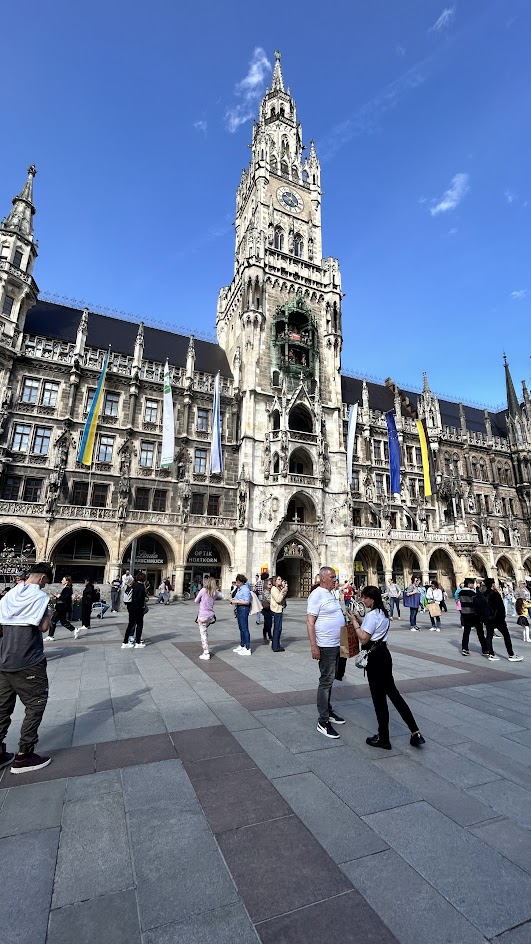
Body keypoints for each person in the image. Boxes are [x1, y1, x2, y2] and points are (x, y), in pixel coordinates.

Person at [350, 585, 425, 750]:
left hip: (375, 659)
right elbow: (375, 629)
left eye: (365, 598)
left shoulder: (371, 615)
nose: (363, 600)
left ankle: (384, 738)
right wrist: (361, 621)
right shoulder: (383, 614)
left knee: (379, 699)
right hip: (384, 654)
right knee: (395, 695)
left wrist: (355, 623)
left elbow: (364, 638)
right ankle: (415, 731)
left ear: (372, 599)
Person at [0, 561, 54, 773]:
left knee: (2, 707)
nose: (45, 586)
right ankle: (24, 755)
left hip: (4, 660)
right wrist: (48, 615)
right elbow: (42, 627)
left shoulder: (10, 596)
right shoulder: (40, 597)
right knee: (35, 704)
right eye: (46, 582)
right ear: (42, 578)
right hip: (28, 661)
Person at [306, 565, 347, 739]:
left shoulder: (330, 594)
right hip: (326, 645)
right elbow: (309, 622)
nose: (335, 580)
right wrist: (314, 645)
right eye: (332, 577)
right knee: (326, 681)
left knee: (331, 679)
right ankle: (323, 721)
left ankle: (328, 711)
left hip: (338, 644)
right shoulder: (316, 595)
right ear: (323, 578)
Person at [479, 578, 523, 662]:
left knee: (489, 636)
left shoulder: (483, 595)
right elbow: (501, 608)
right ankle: (511, 654)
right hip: (498, 619)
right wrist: (502, 617)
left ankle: (491, 654)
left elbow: (481, 608)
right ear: (492, 584)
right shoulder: (495, 594)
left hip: (488, 619)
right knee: (506, 635)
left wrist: (484, 619)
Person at [459, 578, 488, 657]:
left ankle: (465, 648)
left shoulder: (460, 592)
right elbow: (476, 603)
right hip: (473, 614)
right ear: (469, 584)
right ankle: (485, 649)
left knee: (466, 632)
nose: (473, 585)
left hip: (465, 613)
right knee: (480, 632)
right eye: (472, 584)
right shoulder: (471, 593)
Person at [195, 577, 222, 659]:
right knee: (204, 631)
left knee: (203, 634)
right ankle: (206, 645)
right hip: (210, 616)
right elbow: (221, 597)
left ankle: (206, 653)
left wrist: (201, 601)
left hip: (203, 615)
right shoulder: (215, 592)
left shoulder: (203, 590)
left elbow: (196, 600)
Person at [44, 576, 75, 640]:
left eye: (63, 580)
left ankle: (50, 636)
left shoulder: (66, 589)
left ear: (67, 581)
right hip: (62, 607)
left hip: (61, 608)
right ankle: (74, 630)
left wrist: (58, 596)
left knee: (53, 620)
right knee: (63, 621)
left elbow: (65, 599)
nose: (61, 581)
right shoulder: (67, 588)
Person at [122, 572, 147, 649]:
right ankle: (138, 642)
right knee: (139, 624)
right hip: (138, 608)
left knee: (130, 624)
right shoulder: (141, 587)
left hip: (131, 607)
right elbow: (140, 599)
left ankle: (125, 642)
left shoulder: (133, 585)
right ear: (143, 579)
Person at [232, 574, 252, 655]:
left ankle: (248, 647)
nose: (237, 584)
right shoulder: (240, 589)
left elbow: (247, 601)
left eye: (238, 582)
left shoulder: (245, 589)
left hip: (244, 609)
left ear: (241, 582)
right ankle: (242, 645)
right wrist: (234, 600)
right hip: (239, 608)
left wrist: (236, 601)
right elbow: (239, 598)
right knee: (241, 627)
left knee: (244, 628)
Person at [270, 576, 288, 651]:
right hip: (276, 610)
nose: (280, 580)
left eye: (281, 579)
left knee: (278, 629)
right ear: (275, 581)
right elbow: (278, 599)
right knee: (277, 629)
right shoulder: (274, 589)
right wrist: (282, 591)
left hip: (279, 610)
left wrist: (285, 589)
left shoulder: (278, 588)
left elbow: (283, 597)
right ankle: (275, 647)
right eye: (279, 579)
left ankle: (276, 644)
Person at [262, 579, 273, 644]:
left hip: (270, 609)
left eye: (271, 584)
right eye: (269, 584)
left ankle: (269, 635)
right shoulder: (265, 592)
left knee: (269, 623)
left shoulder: (271, 591)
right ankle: (267, 636)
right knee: (267, 623)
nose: (271, 585)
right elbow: (270, 599)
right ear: (266, 585)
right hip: (266, 609)